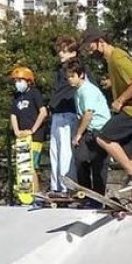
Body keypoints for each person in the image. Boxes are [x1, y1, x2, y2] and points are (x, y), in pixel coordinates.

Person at [81, 29, 132, 211]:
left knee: (103, 137)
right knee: (131, 155)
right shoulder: (111, 61)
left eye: (91, 47)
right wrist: (112, 83)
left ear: (101, 42)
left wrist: (120, 100)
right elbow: (128, 78)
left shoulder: (117, 57)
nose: (90, 52)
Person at [63, 58, 113, 199]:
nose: (70, 80)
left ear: (81, 75)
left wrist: (78, 134)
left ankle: (98, 196)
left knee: (99, 165)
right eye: (68, 78)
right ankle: (85, 195)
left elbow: (88, 114)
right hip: (89, 131)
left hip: (100, 130)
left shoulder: (87, 90)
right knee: (81, 160)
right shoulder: (78, 91)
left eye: (72, 77)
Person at [47, 37, 83, 194]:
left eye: (64, 51)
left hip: (69, 113)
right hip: (57, 114)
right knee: (55, 151)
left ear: (73, 52)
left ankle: (68, 187)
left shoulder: (77, 71)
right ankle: (56, 186)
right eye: (60, 51)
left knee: (66, 153)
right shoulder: (60, 72)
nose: (60, 54)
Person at [9, 66, 48, 195]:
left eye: (20, 80)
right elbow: (13, 115)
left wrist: (32, 130)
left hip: (35, 136)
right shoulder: (16, 97)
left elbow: (43, 112)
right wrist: (16, 131)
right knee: (22, 167)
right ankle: (25, 194)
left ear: (28, 80)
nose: (17, 84)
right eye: (15, 81)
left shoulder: (34, 93)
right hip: (21, 137)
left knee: (31, 166)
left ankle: (36, 194)